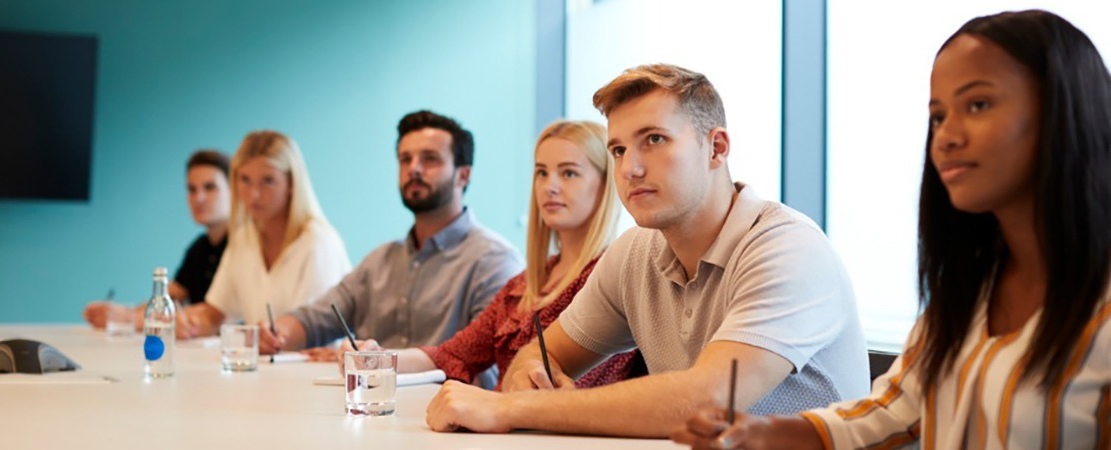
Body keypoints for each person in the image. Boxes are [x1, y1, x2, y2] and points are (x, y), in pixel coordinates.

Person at [672, 10, 1111, 450]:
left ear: (1064, 109)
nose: (946, 136)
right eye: (938, 116)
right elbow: (897, 408)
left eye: (977, 105)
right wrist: (761, 433)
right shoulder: (970, 291)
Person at [425, 64, 869, 437]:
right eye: (618, 149)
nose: (630, 169)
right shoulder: (635, 252)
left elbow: (706, 399)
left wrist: (511, 409)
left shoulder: (786, 247)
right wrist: (529, 376)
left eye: (654, 140)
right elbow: (542, 354)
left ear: (716, 148)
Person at [345, 120, 642, 389]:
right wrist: (376, 357)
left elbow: (569, 391)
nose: (549, 187)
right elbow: (451, 355)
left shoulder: (608, 278)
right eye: (541, 173)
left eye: (568, 173)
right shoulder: (522, 286)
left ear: (606, 185)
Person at [259, 110, 523, 367]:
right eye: (405, 159)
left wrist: (381, 361)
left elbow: (487, 360)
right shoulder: (380, 260)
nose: (414, 169)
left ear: (463, 175)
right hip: (365, 404)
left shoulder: (495, 261)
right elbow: (317, 319)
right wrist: (276, 334)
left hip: (445, 407)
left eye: (430, 159)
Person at [178, 130, 351, 338]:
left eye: (267, 181)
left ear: (291, 184)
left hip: (312, 368)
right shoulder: (243, 238)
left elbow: (313, 332)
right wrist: (190, 323)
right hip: (263, 366)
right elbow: (215, 314)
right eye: (245, 180)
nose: (254, 194)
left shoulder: (318, 243)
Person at [83, 149, 232, 329]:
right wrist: (120, 312)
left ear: (234, 191)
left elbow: (215, 314)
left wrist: (127, 319)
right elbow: (167, 298)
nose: (199, 198)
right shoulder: (199, 248)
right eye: (192, 189)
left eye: (210, 187)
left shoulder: (245, 247)